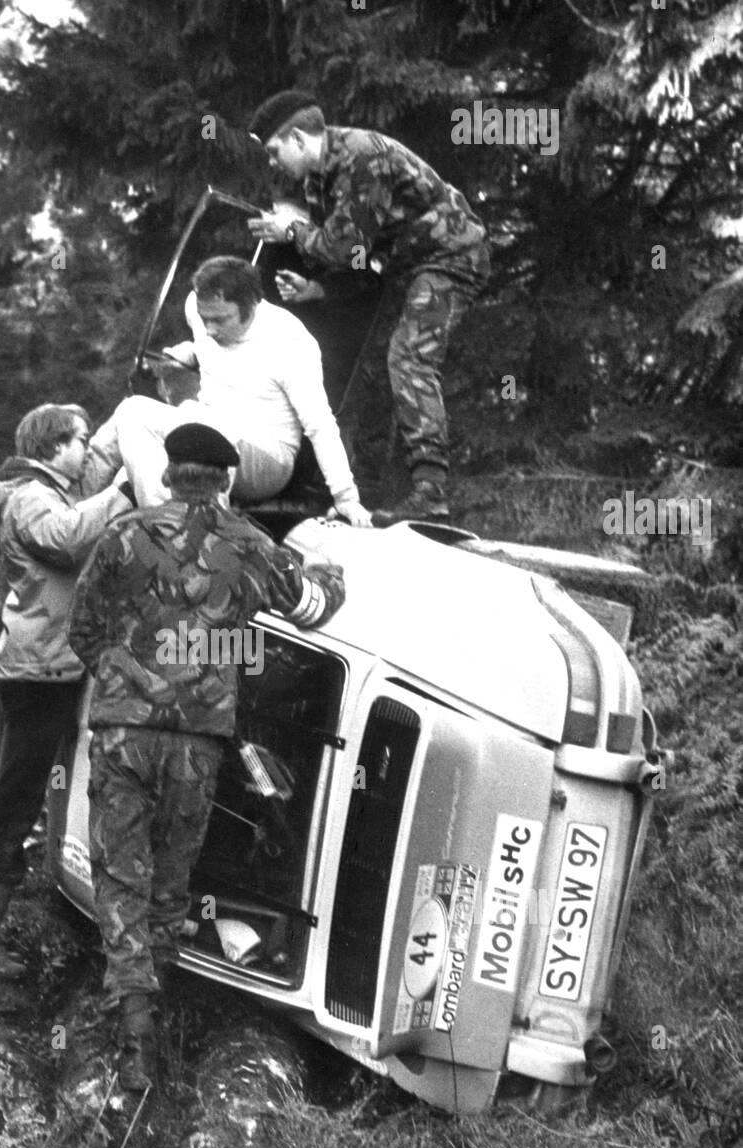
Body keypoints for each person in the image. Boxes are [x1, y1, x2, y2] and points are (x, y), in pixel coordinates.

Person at [67, 421, 345, 1091]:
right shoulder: (251, 546)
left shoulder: (122, 534)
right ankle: (154, 1012)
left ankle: (132, 1032)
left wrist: (125, 674)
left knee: (120, 875)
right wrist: (330, 575)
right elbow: (312, 609)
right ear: (224, 481)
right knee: (170, 880)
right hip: (197, 740)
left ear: (168, 472)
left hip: (122, 732)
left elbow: (82, 632)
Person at [0, 402, 137, 978]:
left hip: (48, 665)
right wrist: (126, 488)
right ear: (52, 446)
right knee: (14, 797)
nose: (84, 450)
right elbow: (71, 538)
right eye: (79, 440)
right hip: (38, 671)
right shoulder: (32, 498)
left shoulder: (42, 489)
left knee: (29, 789)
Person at [247, 90, 490, 524]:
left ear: (300, 139)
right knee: (372, 372)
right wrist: (317, 290)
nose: (272, 161)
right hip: (406, 269)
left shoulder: (361, 157)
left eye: (274, 150)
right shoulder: (318, 180)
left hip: (452, 256)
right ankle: (367, 491)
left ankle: (431, 492)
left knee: (409, 358)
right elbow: (358, 262)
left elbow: (342, 247)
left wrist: (293, 229)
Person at [88, 256, 372, 526]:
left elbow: (320, 425)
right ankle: (78, 494)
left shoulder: (289, 342)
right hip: (204, 422)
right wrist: (188, 354)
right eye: (204, 318)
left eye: (220, 320)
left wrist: (346, 497)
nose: (209, 328)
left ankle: (185, 532)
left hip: (267, 456)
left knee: (201, 430)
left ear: (251, 306)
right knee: (132, 411)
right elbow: (206, 345)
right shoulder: (198, 309)